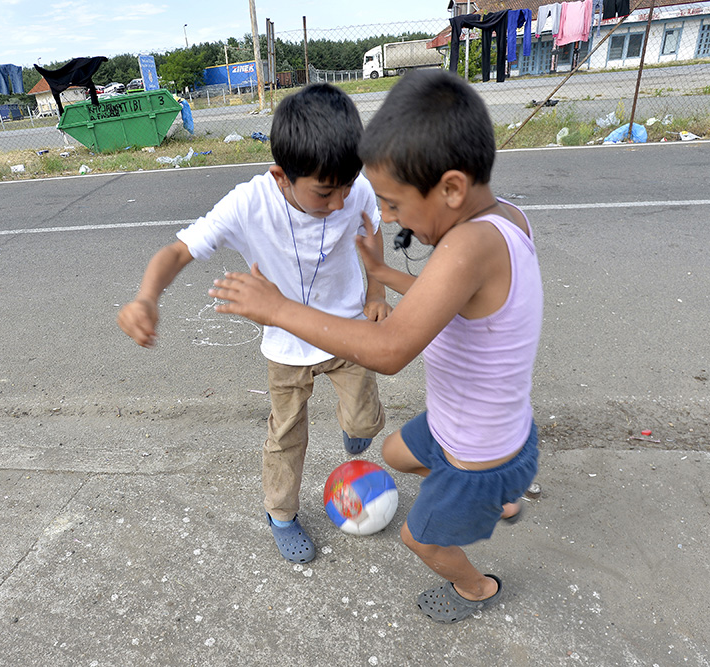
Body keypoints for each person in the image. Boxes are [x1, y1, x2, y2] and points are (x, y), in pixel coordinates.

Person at [208, 70, 542, 624]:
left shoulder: (466, 247)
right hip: (485, 424)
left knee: (420, 539)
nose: (385, 216)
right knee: (391, 454)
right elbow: (453, 297)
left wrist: (277, 309)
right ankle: (500, 492)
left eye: (391, 203)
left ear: (451, 188)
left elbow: (387, 351)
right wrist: (382, 275)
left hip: (477, 451)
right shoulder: (504, 219)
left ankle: (476, 588)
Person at [117, 83, 389, 565]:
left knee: (364, 422)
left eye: (348, 186)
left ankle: (356, 425)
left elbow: (373, 232)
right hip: (285, 349)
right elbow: (178, 251)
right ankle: (281, 515)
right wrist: (146, 297)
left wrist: (376, 292)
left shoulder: (355, 189)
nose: (340, 201)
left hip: (347, 333)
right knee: (286, 436)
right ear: (281, 176)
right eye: (325, 192)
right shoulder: (247, 204)